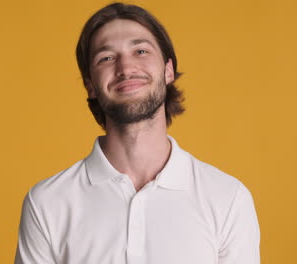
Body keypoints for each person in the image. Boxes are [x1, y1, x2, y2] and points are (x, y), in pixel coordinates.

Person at [14, 3, 260, 264]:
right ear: (91, 86)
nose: (126, 68)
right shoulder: (46, 203)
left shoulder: (228, 198)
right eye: (106, 58)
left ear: (167, 70)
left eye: (141, 51)